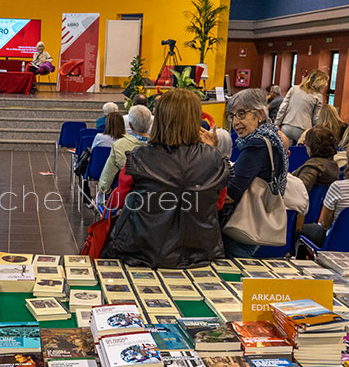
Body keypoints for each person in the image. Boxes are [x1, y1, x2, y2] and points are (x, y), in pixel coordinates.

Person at [101, 89, 232, 267]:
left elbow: (121, 200)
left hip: (141, 252)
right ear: (195, 119)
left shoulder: (139, 156)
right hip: (198, 254)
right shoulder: (215, 159)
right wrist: (212, 151)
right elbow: (217, 204)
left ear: (160, 118)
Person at [220, 88, 289, 258]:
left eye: (241, 114)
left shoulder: (256, 145)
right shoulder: (272, 138)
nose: (236, 122)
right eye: (233, 115)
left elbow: (231, 193)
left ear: (259, 114)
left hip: (241, 229)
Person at [97, 105, 152, 194]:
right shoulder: (160, 145)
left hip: (127, 196)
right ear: (150, 124)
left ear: (130, 125)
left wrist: (105, 192)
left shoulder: (119, 145)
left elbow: (106, 179)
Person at [275, 70, 328, 144]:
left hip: (286, 125)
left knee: (284, 151)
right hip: (303, 129)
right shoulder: (318, 96)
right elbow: (315, 117)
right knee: (299, 153)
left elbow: (283, 108)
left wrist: (277, 123)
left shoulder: (294, 89)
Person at [293, 127, 340, 191]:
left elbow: (300, 190)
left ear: (310, 145)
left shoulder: (312, 167)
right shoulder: (333, 165)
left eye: (305, 142)